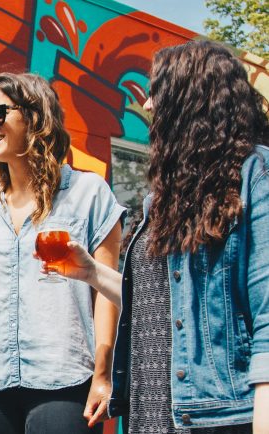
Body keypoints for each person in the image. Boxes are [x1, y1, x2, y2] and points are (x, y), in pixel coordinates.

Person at [39, 40, 269, 433]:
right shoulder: (161, 200)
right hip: (153, 408)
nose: (146, 106)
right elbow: (155, 302)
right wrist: (93, 272)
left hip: (219, 416)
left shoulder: (255, 175)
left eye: (157, 93)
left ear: (192, 97)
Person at [0, 72, 126, 434]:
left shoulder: (88, 193)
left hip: (65, 381)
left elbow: (106, 293)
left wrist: (103, 374)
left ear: (35, 116)